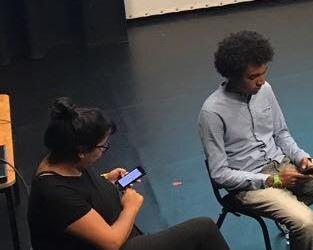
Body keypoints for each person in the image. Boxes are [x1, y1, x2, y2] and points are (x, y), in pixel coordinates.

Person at [198, 31, 313, 250]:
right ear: (232, 76)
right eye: (253, 77)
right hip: (250, 185)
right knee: (305, 222)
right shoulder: (212, 112)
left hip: (285, 167)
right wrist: (274, 180)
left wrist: (301, 158)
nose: (261, 81)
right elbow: (220, 174)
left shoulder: (265, 90)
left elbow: (281, 134)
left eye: (263, 73)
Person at [29, 97, 229, 250]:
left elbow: (76, 191)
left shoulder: (62, 157)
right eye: (102, 146)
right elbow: (111, 243)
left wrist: (106, 180)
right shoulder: (54, 194)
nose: (103, 151)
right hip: (118, 243)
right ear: (81, 151)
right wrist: (131, 207)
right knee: (203, 229)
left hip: (124, 235)